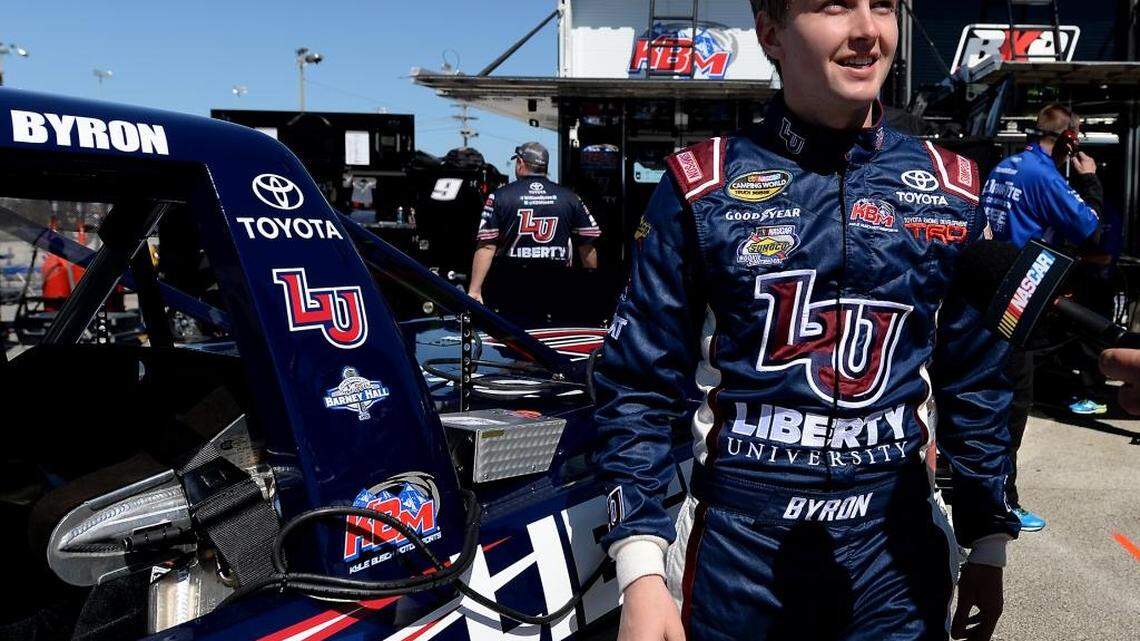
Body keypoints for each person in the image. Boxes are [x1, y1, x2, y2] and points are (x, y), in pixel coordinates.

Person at [592, 2, 1020, 641]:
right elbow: (636, 385)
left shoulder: (953, 184)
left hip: (896, 554)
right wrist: (640, 574)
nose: (867, 31)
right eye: (832, 6)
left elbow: (978, 378)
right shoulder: (698, 183)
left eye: (881, 6)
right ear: (769, 32)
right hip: (739, 557)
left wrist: (987, 540)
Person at [980, 104, 1104, 532]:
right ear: (1069, 138)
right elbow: (1091, 228)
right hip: (1021, 297)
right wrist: (1089, 180)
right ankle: (1002, 502)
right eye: (1079, 135)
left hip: (990, 292)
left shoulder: (1005, 165)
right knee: (1014, 403)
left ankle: (987, 492)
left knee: (990, 398)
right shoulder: (1044, 175)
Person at [467, 141, 600, 305]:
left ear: (520, 163)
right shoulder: (570, 197)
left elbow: (487, 246)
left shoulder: (500, 196)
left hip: (511, 286)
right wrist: (592, 286)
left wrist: (474, 291)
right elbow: (587, 245)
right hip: (559, 285)